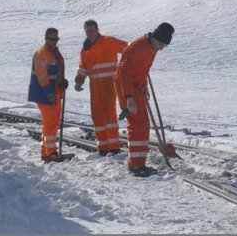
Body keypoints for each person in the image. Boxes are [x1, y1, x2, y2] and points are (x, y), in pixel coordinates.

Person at [114, 22, 175, 177]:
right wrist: (129, 98)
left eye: (164, 46)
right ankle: (135, 165)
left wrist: (145, 85)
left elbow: (142, 70)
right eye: (160, 44)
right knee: (138, 124)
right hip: (126, 87)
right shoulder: (137, 48)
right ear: (154, 37)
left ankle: (138, 163)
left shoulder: (151, 47)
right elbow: (124, 74)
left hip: (137, 87)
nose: (160, 48)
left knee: (143, 124)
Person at [73, 19, 127, 155]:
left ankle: (114, 147)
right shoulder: (85, 50)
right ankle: (102, 147)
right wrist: (79, 80)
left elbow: (127, 48)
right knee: (97, 115)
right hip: (95, 87)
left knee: (109, 114)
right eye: (87, 31)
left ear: (97, 30)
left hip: (109, 84)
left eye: (91, 30)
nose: (89, 33)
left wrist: (124, 68)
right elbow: (83, 67)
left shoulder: (108, 41)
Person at [27, 27, 69, 162]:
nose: (55, 42)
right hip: (44, 93)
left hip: (54, 91)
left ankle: (46, 152)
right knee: (50, 123)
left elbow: (55, 71)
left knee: (53, 122)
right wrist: (49, 94)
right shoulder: (42, 53)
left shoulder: (54, 52)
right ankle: (51, 152)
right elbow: (42, 76)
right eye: (52, 39)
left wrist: (62, 81)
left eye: (56, 39)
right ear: (46, 38)